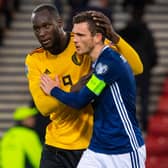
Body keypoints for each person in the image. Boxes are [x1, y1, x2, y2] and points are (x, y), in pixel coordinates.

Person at [25, 3, 143, 168]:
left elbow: (136, 67)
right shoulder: (35, 59)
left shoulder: (82, 41)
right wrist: (74, 88)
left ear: (59, 23)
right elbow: (44, 107)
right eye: (37, 29)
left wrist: (114, 36)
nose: (42, 33)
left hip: (91, 144)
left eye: (46, 26)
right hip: (56, 146)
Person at [118, 8, 158, 132]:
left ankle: (128, 123)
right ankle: (144, 123)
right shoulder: (146, 32)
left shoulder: (123, 32)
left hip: (127, 69)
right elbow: (152, 52)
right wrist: (151, 65)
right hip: (144, 69)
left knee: (128, 97)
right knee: (144, 97)